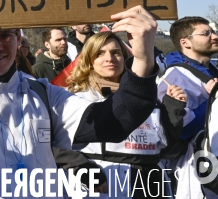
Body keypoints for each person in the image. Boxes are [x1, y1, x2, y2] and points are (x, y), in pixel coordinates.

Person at [0, 6, 161, 198]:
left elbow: (113, 122)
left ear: (18, 40)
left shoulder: (43, 93)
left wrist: (142, 61)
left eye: (5, 36)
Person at [67, 31, 187, 198]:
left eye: (116, 52)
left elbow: (169, 149)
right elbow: (57, 144)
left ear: (125, 57)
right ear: (89, 60)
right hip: (104, 180)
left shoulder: (146, 95)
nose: (110, 58)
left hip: (150, 183)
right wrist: (82, 167)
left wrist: (173, 108)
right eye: (100, 54)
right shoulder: (75, 97)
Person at [158, 16, 218, 198]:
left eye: (214, 31)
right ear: (185, 42)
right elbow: (178, 130)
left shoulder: (211, 69)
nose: (214, 36)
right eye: (206, 33)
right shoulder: (174, 77)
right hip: (195, 169)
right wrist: (213, 102)